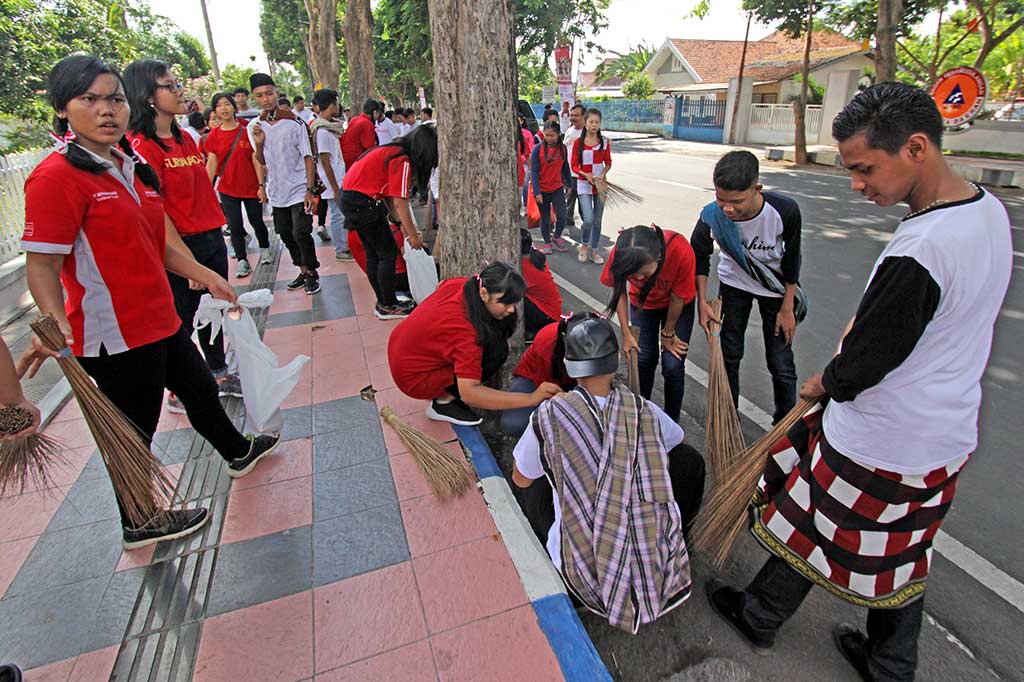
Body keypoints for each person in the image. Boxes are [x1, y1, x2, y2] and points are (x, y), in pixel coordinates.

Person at [706, 82, 1013, 682]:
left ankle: (760, 616)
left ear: (916, 148)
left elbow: (867, 361)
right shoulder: (984, 210)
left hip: (880, 440)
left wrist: (824, 381)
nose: (856, 183)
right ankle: (888, 663)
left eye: (865, 168)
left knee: (811, 525)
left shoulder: (924, 246)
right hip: (943, 437)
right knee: (905, 552)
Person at [22, 55, 279, 550]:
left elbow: (158, 241)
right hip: (114, 332)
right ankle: (139, 520)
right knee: (133, 430)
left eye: (114, 99)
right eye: (89, 100)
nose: (106, 111)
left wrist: (206, 275)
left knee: (200, 388)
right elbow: (43, 266)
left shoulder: (127, 164)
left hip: (159, 314)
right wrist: (55, 326)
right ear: (62, 108)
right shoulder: (56, 178)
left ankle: (238, 450)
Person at [512, 315, 705, 633]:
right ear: (616, 359)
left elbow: (521, 477)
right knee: (686, 460)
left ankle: (559, 571)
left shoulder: (549, 416)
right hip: (650, 564)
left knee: (534, 480)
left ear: (569, 365)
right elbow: (677, 441)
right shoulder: (643, 410)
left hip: (585, 577)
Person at [124, 59, 242, 410]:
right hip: (180, 248)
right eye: (170, 85)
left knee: (214, 308)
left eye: (178, 83)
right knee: (182, 319)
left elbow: (200, 186)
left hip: (209, 237)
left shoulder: (184, 138)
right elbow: (156, 212)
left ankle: (218, 369)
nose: (179, 91)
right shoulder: (140, 147)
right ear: (147, 95)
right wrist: (188, 264)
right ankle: (179, 387)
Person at [691, 150, 802, 423]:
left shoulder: (784, 211)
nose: (728, 209)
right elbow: (700, 257)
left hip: (773, 291)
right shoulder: (711, 216)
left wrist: (787, 308)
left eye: (736, 201)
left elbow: (792, 260)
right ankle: (729, 417)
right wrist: (702, 303)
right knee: (728, 355)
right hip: (733, 285)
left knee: (780, 362)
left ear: (757, 189)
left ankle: (783, 426)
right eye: (721, 200)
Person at [387, 262, 562, 426]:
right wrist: (531, 398)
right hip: (414, 379)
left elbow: (442, 284)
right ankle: (443, 402)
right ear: (484, 293)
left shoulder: (464, 284)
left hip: (400, 347)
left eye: (513, 303)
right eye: (505, 302)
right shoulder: (466, 333)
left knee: (495, 340)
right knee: (496, 352)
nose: (511, 309)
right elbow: (470, 393)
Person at [600, 225, 696, 424]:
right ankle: (643, 414)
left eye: (644, 273)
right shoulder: (622, 252)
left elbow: (679, 298)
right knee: (643, 359)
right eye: (632, 275)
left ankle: (672, 422)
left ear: (658, 257)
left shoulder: (680, 250)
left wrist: (668, 334)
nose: (638, 279)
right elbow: (620, 292)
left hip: (677, 307)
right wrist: (626, 333)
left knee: (673, 364)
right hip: (643, 306)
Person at [341, 125, 435, 319]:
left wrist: (403, 227)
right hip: (362, 202)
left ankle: (383, 301)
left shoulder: (392, 150)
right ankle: (388, 304)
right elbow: (400, 200)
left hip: (351, 198)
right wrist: (414, 236)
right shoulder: (402, 160)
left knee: (374, 253)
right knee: (387, 253)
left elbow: (391, 198)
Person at [248, 72, 322, 295]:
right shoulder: (255, 126)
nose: (265, 99)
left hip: (300, 189)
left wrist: (310, 189)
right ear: (254, 97)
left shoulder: (295, 122)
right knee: (285, 232)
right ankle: (302, 269)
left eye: (269, 93)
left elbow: (308, 156)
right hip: (277, 191)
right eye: (259, 95)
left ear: (276, 93)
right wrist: (260, 144)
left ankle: (312, 273)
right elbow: (260, 160)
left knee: (301, 232)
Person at [204, 91, 272, 278]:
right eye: (219, 105)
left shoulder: (246, 131)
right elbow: (212, 164)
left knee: (256, 221)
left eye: (226, 104)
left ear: (234, 107)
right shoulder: (213, 137)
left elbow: (255, 160)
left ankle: (265, 249)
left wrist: (261, 186)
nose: (223, 109)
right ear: (215, 111)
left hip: (250, 187)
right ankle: (242, 261)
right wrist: (206, 190)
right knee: (234, 225)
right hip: (227, 189)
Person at [499, 315, 578, 437]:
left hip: (571, 383)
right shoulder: (547, 342)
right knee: (513, 424)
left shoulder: (601, 341)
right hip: (539, 381)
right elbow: (549, 390)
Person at [311, 88, 353, 262]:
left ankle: (344, 244)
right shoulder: (321, 131)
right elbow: (325, 161)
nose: (338, 107)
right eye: (336, 103)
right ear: (331, 105)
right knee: (337, 215)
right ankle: (341, 248)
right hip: (333, 182)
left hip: (337, 179)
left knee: (340, 214)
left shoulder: (328, 128)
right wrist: (335, 188)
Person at [571, 107, 611, 264]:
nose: (594, 125)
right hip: (584, 184)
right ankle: (584, 245)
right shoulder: (578, 143)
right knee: (588, 219)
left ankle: (594, 251)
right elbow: (574, 165)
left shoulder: (605, 142)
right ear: (585, 123)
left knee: (597, 221)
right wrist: (585, 175)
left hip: (600, 185)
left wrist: (603, 174)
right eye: (591, 122)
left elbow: (608, 162)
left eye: (597, 122)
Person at [530, 121, 570, 253]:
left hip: (557, 188)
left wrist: (569, 185)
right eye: (546, 135)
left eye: (552, 135)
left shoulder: (562, 149)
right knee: (546, 219)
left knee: (562, 216)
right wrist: (537, 192)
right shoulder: (537, 149)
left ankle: (557, 237)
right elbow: (534, 171)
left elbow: (565, 167)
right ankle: (547, 242)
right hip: (542, 190)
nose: (549, 138)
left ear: (558, 135)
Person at [520, 229, 562, 339]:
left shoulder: (523, 266)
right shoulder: (535, 252)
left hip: (548, 316)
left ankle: (532, 331)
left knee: (510, 296)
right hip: (553, 310)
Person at [562, 103, 585, 229]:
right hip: (569, 172)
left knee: (583, 199)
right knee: (569, 197)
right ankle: (568, 219)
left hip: (583, 173)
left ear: (583, 116)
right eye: (572, 115)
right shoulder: (569, 131)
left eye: (576, 115)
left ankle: (586, 222)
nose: (573, 118)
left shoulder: (588, 132)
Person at [341, 98, 379, 171]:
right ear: (374, 112)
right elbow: (370, 148)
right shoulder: (367, 123)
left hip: (345, 157)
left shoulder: (355, 119)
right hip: (354, 160)